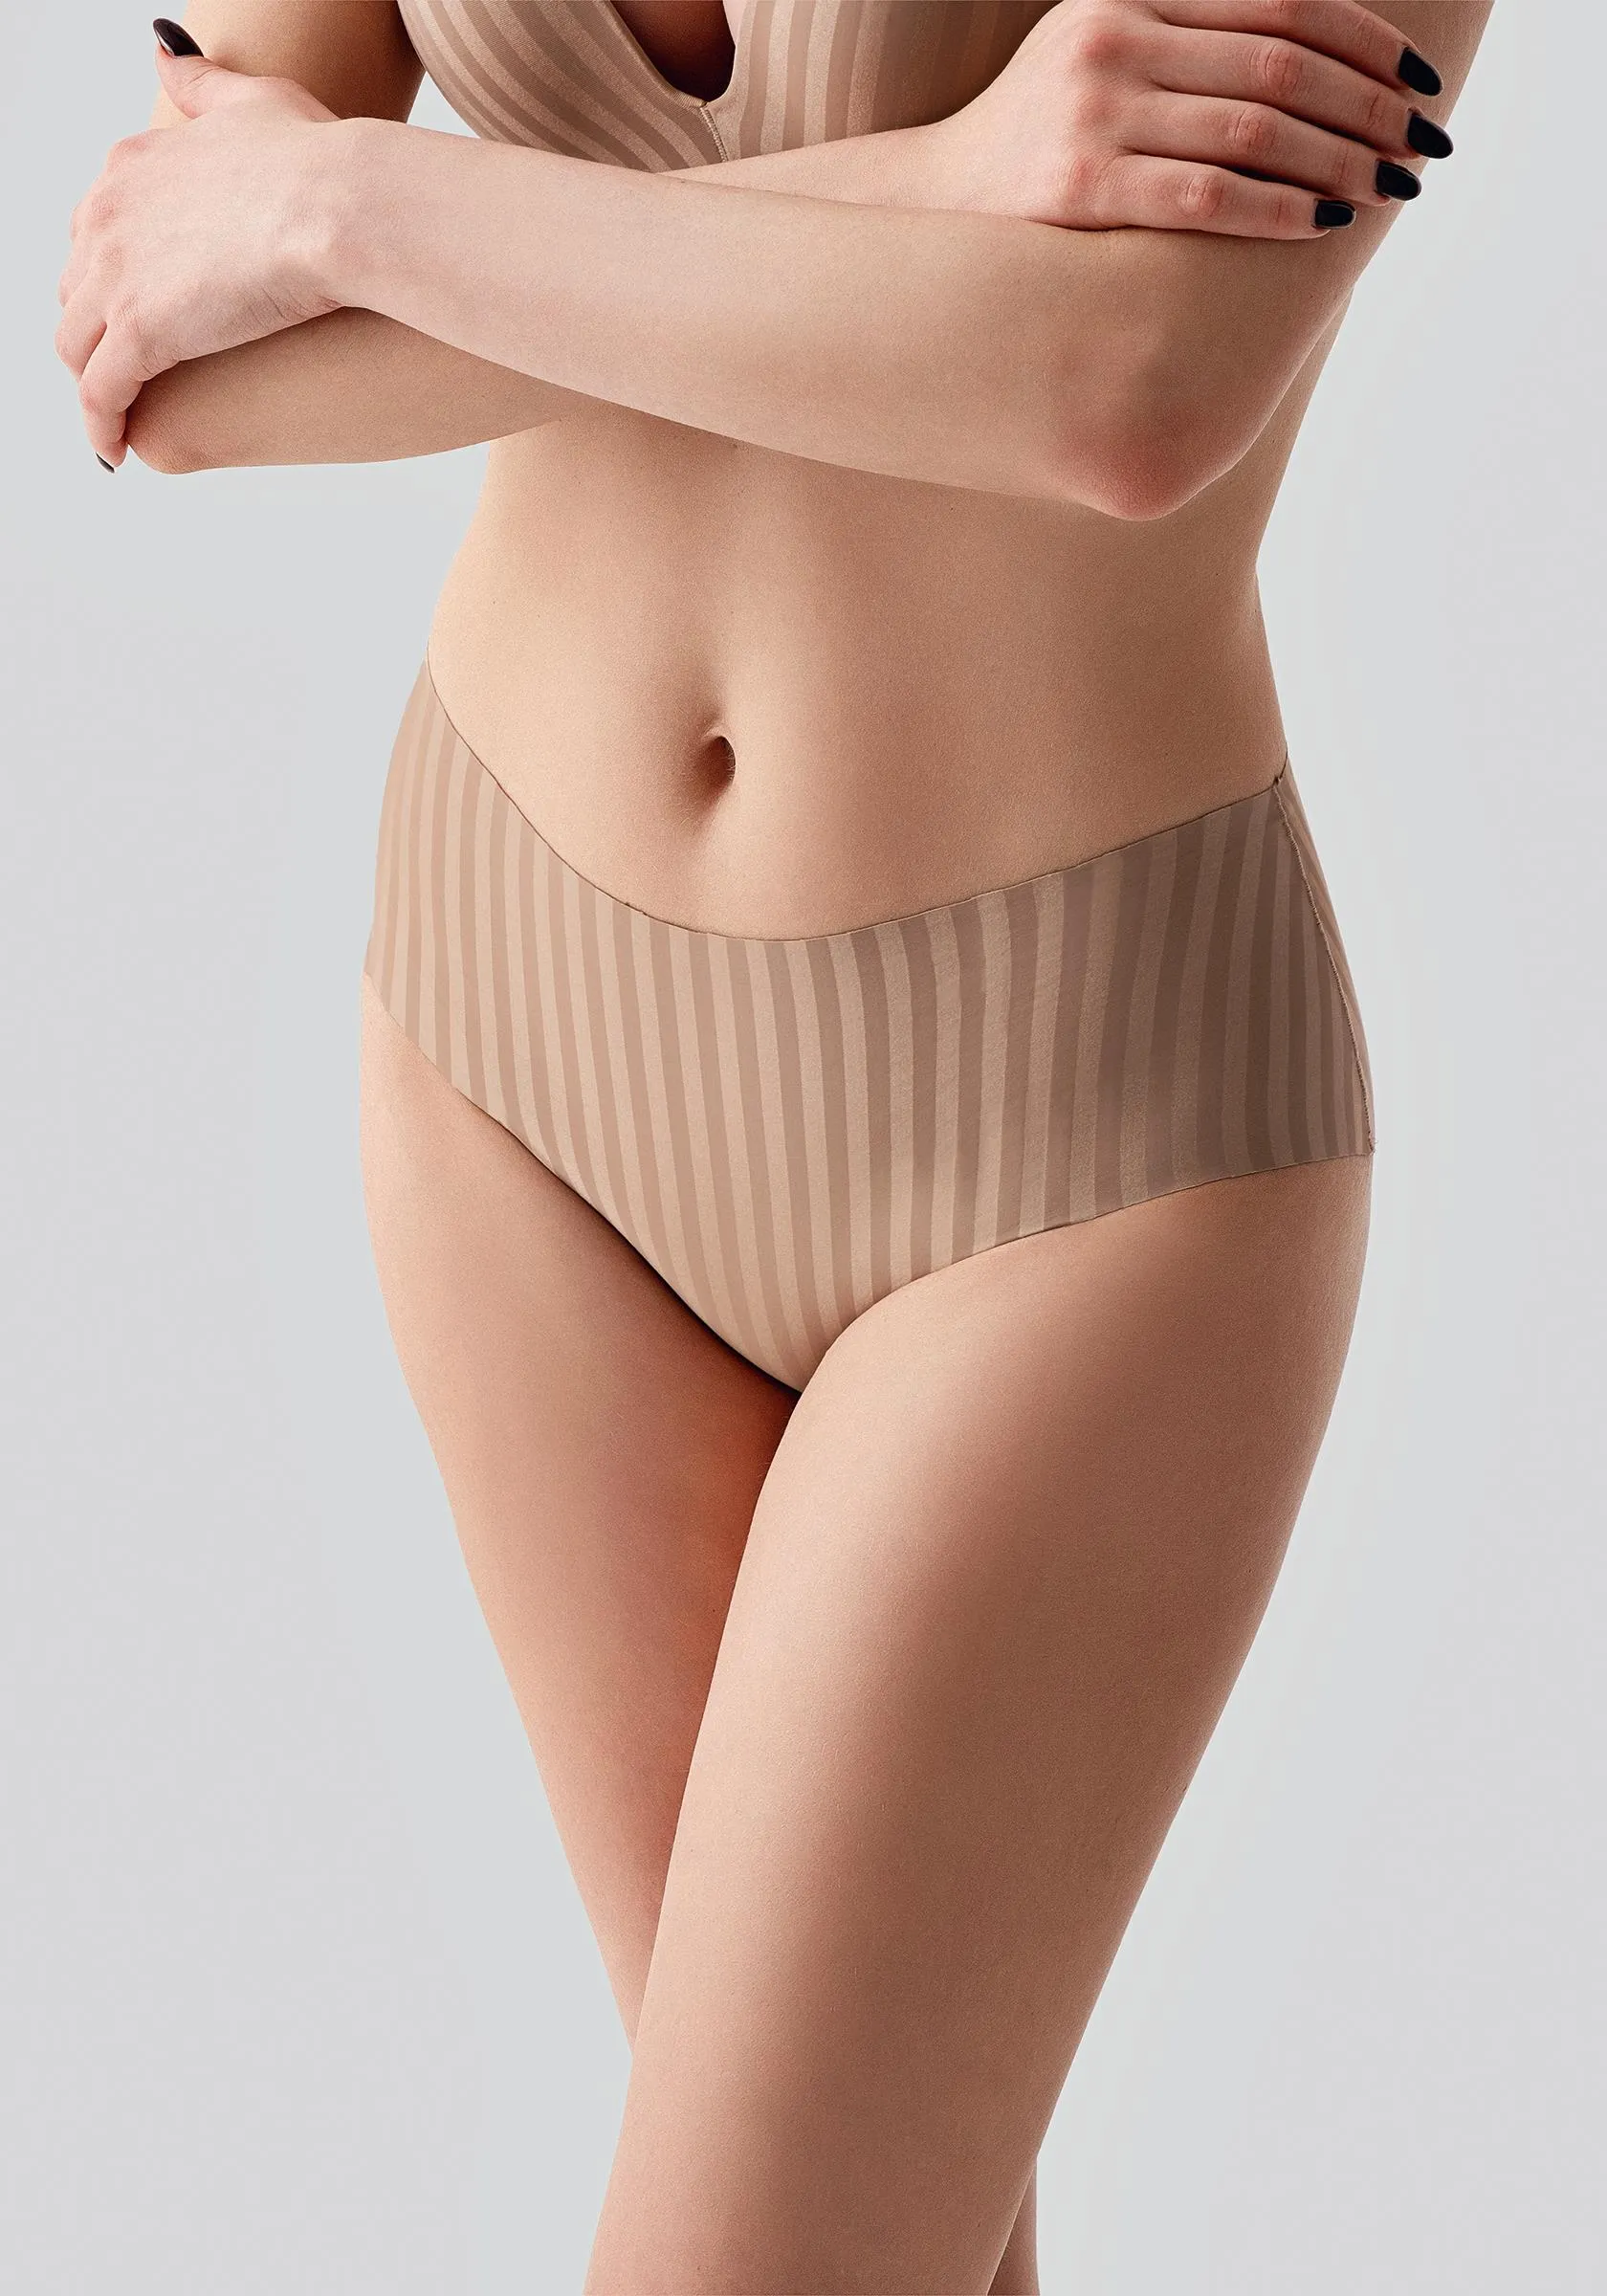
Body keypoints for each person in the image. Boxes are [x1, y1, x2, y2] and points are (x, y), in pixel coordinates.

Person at [55, 4, 1493, 2286]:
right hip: (513, 1035)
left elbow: (1119, 381)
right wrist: (940, 189)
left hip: (1065, 1133)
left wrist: (353, 208)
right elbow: (176, 359)